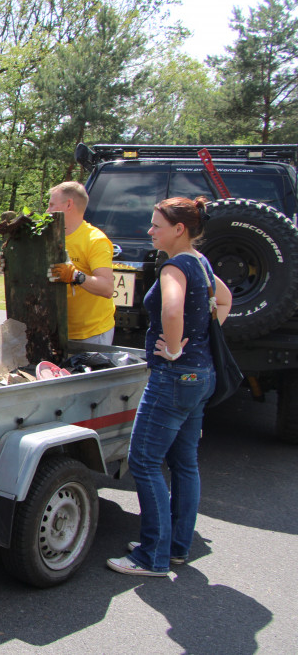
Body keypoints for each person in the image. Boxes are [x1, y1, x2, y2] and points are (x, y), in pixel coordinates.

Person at [107, 196, 232, 577]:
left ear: (179, 229)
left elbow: (172, 310)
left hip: (174, 378)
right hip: (201, 376)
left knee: (144, 461)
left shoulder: (174, 267)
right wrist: (198, 341)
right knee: (184, 463)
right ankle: (176, 545)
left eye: (156, 225)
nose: (150, 231)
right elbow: (224, 300)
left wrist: (175, 349)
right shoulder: (201, 262)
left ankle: (152, 555)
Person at [46, 181, 116, 344]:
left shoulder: (94, 240)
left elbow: (106, 288)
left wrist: (75, 275)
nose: (47, 211)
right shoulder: (49, 238)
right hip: (58, 330)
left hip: (91, 334)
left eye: (51, 205)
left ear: (69, 204)